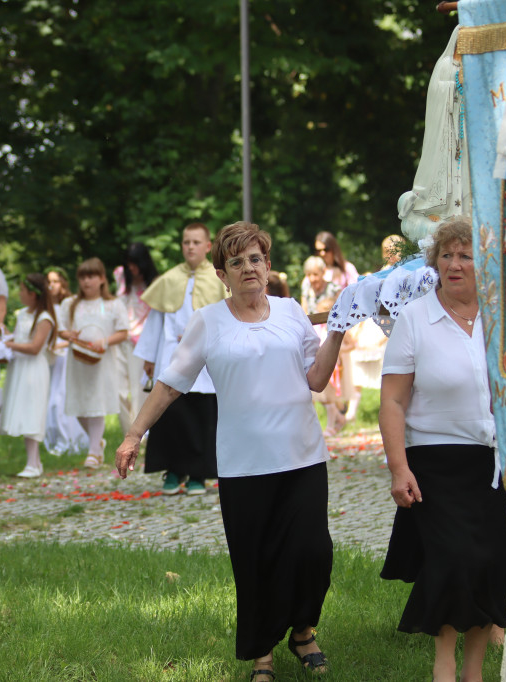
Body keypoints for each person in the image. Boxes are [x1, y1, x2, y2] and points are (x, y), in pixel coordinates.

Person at [116, 221, 345, 680]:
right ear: (222, 273)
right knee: (254, 559)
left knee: (312, 553)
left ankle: (302, 631)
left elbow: (316, 379)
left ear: (268, 264)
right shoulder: (208, 322)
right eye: (235, 262)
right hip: (244, 466)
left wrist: (336, 331)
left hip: (302, 456)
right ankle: (263, 653)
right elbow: (170, 385)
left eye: (255, 258)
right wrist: (132, 434)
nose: (247, 269)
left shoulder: (290, 312)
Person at [379, 218, 506, 682]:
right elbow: (393, 401)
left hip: (494, 463)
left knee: (490, 563)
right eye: (447, 255)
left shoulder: (501, 317)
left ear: (484, 263)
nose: (454, 264)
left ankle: (474, 672)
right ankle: (443, 666)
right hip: (435, 463)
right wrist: (399, 468)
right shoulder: (415, 318)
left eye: (465, 255)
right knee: (453, 562)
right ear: (435, 261)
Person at [134, 223, 226, 494]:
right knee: (170, 415)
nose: (190, 247)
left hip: (206, 361)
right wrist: (149, 356)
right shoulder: (170, 279)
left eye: (196, 242)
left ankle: (198, 474)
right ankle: (173, 471)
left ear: (208, 246)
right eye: (186, 242)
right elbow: (155, 320)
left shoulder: (219, 279)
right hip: (172, 356)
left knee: (202, 416)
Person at [58, 257, 129, 469]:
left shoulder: (112, 304)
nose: (86, 281)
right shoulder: (70, 304)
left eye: (91, 276)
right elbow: (61, 329)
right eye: (83, 277)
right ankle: (96, 441)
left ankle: (93, 452)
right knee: (79, 406)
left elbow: (124, 332)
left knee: (96, 403)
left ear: (101, 279)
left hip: (103, 361)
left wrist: (104, 341)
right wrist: (68, 334)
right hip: (78, 360)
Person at [2, 273, 57, 477]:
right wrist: (6, 337)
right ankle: (34, 461)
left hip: (34, 368)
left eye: (23, 291)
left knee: (32, 411)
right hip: (21, 367)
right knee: (24, 410)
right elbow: (20, 337)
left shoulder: (44, 318)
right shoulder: (23, 314)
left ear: (33, 294)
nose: (20, 294)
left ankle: (33, 463)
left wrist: (8, 344)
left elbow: (35, 347)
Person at [43, 268, 89, 456]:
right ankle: (56, 438)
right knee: (51, 402)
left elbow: (74, 335)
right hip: (50, 360)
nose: (51, 285)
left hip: (65, 358)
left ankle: (72, 439)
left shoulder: (69, 305)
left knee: (60, 401)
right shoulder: (45, 308)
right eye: (48, 282)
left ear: (63, 283)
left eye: (55, 281)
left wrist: (58, 344)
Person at [314, 231, 359, 420]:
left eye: (325, 249)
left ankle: (347, 407)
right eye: (318, 251)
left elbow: (357, 293)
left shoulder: (347, 269)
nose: (322, 254)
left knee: (346, 367)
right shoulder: (318, 270)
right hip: (323, 324)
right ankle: (336, 408)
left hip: (346, 322)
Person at [114, 243, 157, 434]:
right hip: (120, 339)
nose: (131, 268)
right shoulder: (121, 277)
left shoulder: (155, 283)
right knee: (118, 390)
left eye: (135, 263)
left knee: (139, 391)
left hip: (142, 343)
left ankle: (141, 434)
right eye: (128, 263)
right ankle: (128, 432)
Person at [301, 255, 345, 436]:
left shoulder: (334, 289)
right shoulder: (306, 287)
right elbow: (304, 314)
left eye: (315, 275)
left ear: (322, 273)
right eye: (309, 275)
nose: (312, 279)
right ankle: (334, 420)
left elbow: (341, 317)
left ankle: (333, 421)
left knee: (329, 384)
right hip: (312, 338)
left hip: (329, 338)